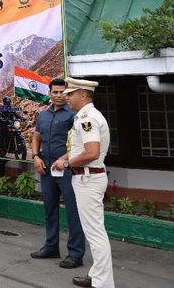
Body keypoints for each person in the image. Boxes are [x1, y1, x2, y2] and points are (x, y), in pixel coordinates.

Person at [51, 78, 114, 288]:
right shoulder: (84, 116)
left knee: (95, 233)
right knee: (93, 231)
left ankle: (102, 283)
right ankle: (97, 275)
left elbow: (92, 152)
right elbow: (81, 148)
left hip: (88, 178)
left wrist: (66, 163)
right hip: (86, 177)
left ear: (83, 95)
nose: (66, 97)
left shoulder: (88, 118)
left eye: (70, 94)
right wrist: (65, 157)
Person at [30, 78, 85, 269]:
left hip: (68, 170)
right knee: (50, 209)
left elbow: (80, 144)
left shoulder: (74, 115)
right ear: (50, 93)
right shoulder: (43, 115)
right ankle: (51, 247)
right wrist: (35, 157)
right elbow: (36, 137)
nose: (59, 95)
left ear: (67, 93)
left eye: (62, 92)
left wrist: (64, 159)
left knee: (73, 212)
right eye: (55, 92)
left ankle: (75, 254)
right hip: (46, 170)